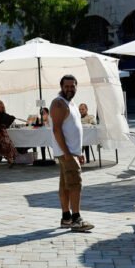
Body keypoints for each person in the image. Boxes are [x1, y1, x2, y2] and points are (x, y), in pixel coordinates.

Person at [52, 75, 93, 231]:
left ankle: (66, 218)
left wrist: (78, 152)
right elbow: (56, 130)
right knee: (76, 184)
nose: (70, 89)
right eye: (67, 86)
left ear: (76, 86)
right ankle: (76, 219)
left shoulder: (71, 103)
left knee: (65, 185)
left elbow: (73, 129)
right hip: (66, 152)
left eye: (72, 86)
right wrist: (68, 153)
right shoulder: (58, 104)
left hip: (71, 152)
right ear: (61, 86)